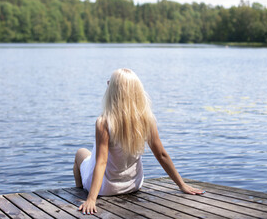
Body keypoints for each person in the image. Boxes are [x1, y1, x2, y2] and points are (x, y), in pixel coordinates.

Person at [73, 68, 205, 215]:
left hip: (106, 188)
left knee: (81, 153)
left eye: (109, 83)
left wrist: (91, 199)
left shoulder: (104, 122)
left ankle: (80, 193)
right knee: (92, 156)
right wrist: (182, 185)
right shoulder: (147, 119)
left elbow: (102, 162)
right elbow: (161, 154)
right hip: (133, 185)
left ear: (114, 91)